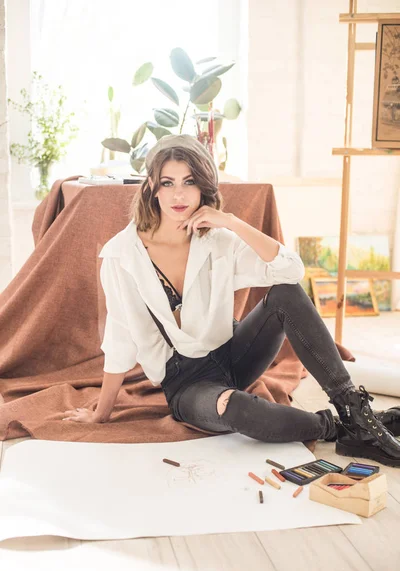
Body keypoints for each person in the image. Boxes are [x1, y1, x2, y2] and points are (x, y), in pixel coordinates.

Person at [63, 134, 400, 467]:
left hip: (233, 354)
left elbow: (289, 269)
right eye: (168, 183)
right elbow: (120, 339)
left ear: (204, 186)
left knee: (284, 293)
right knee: (237, 409)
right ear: (151, 184)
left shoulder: (218, 240)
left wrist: (233, 222)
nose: (178, 194)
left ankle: (355, 411)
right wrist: (101, 414)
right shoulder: (123, 256)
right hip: (186, 383)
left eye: (189, 181)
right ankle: (342, 426)